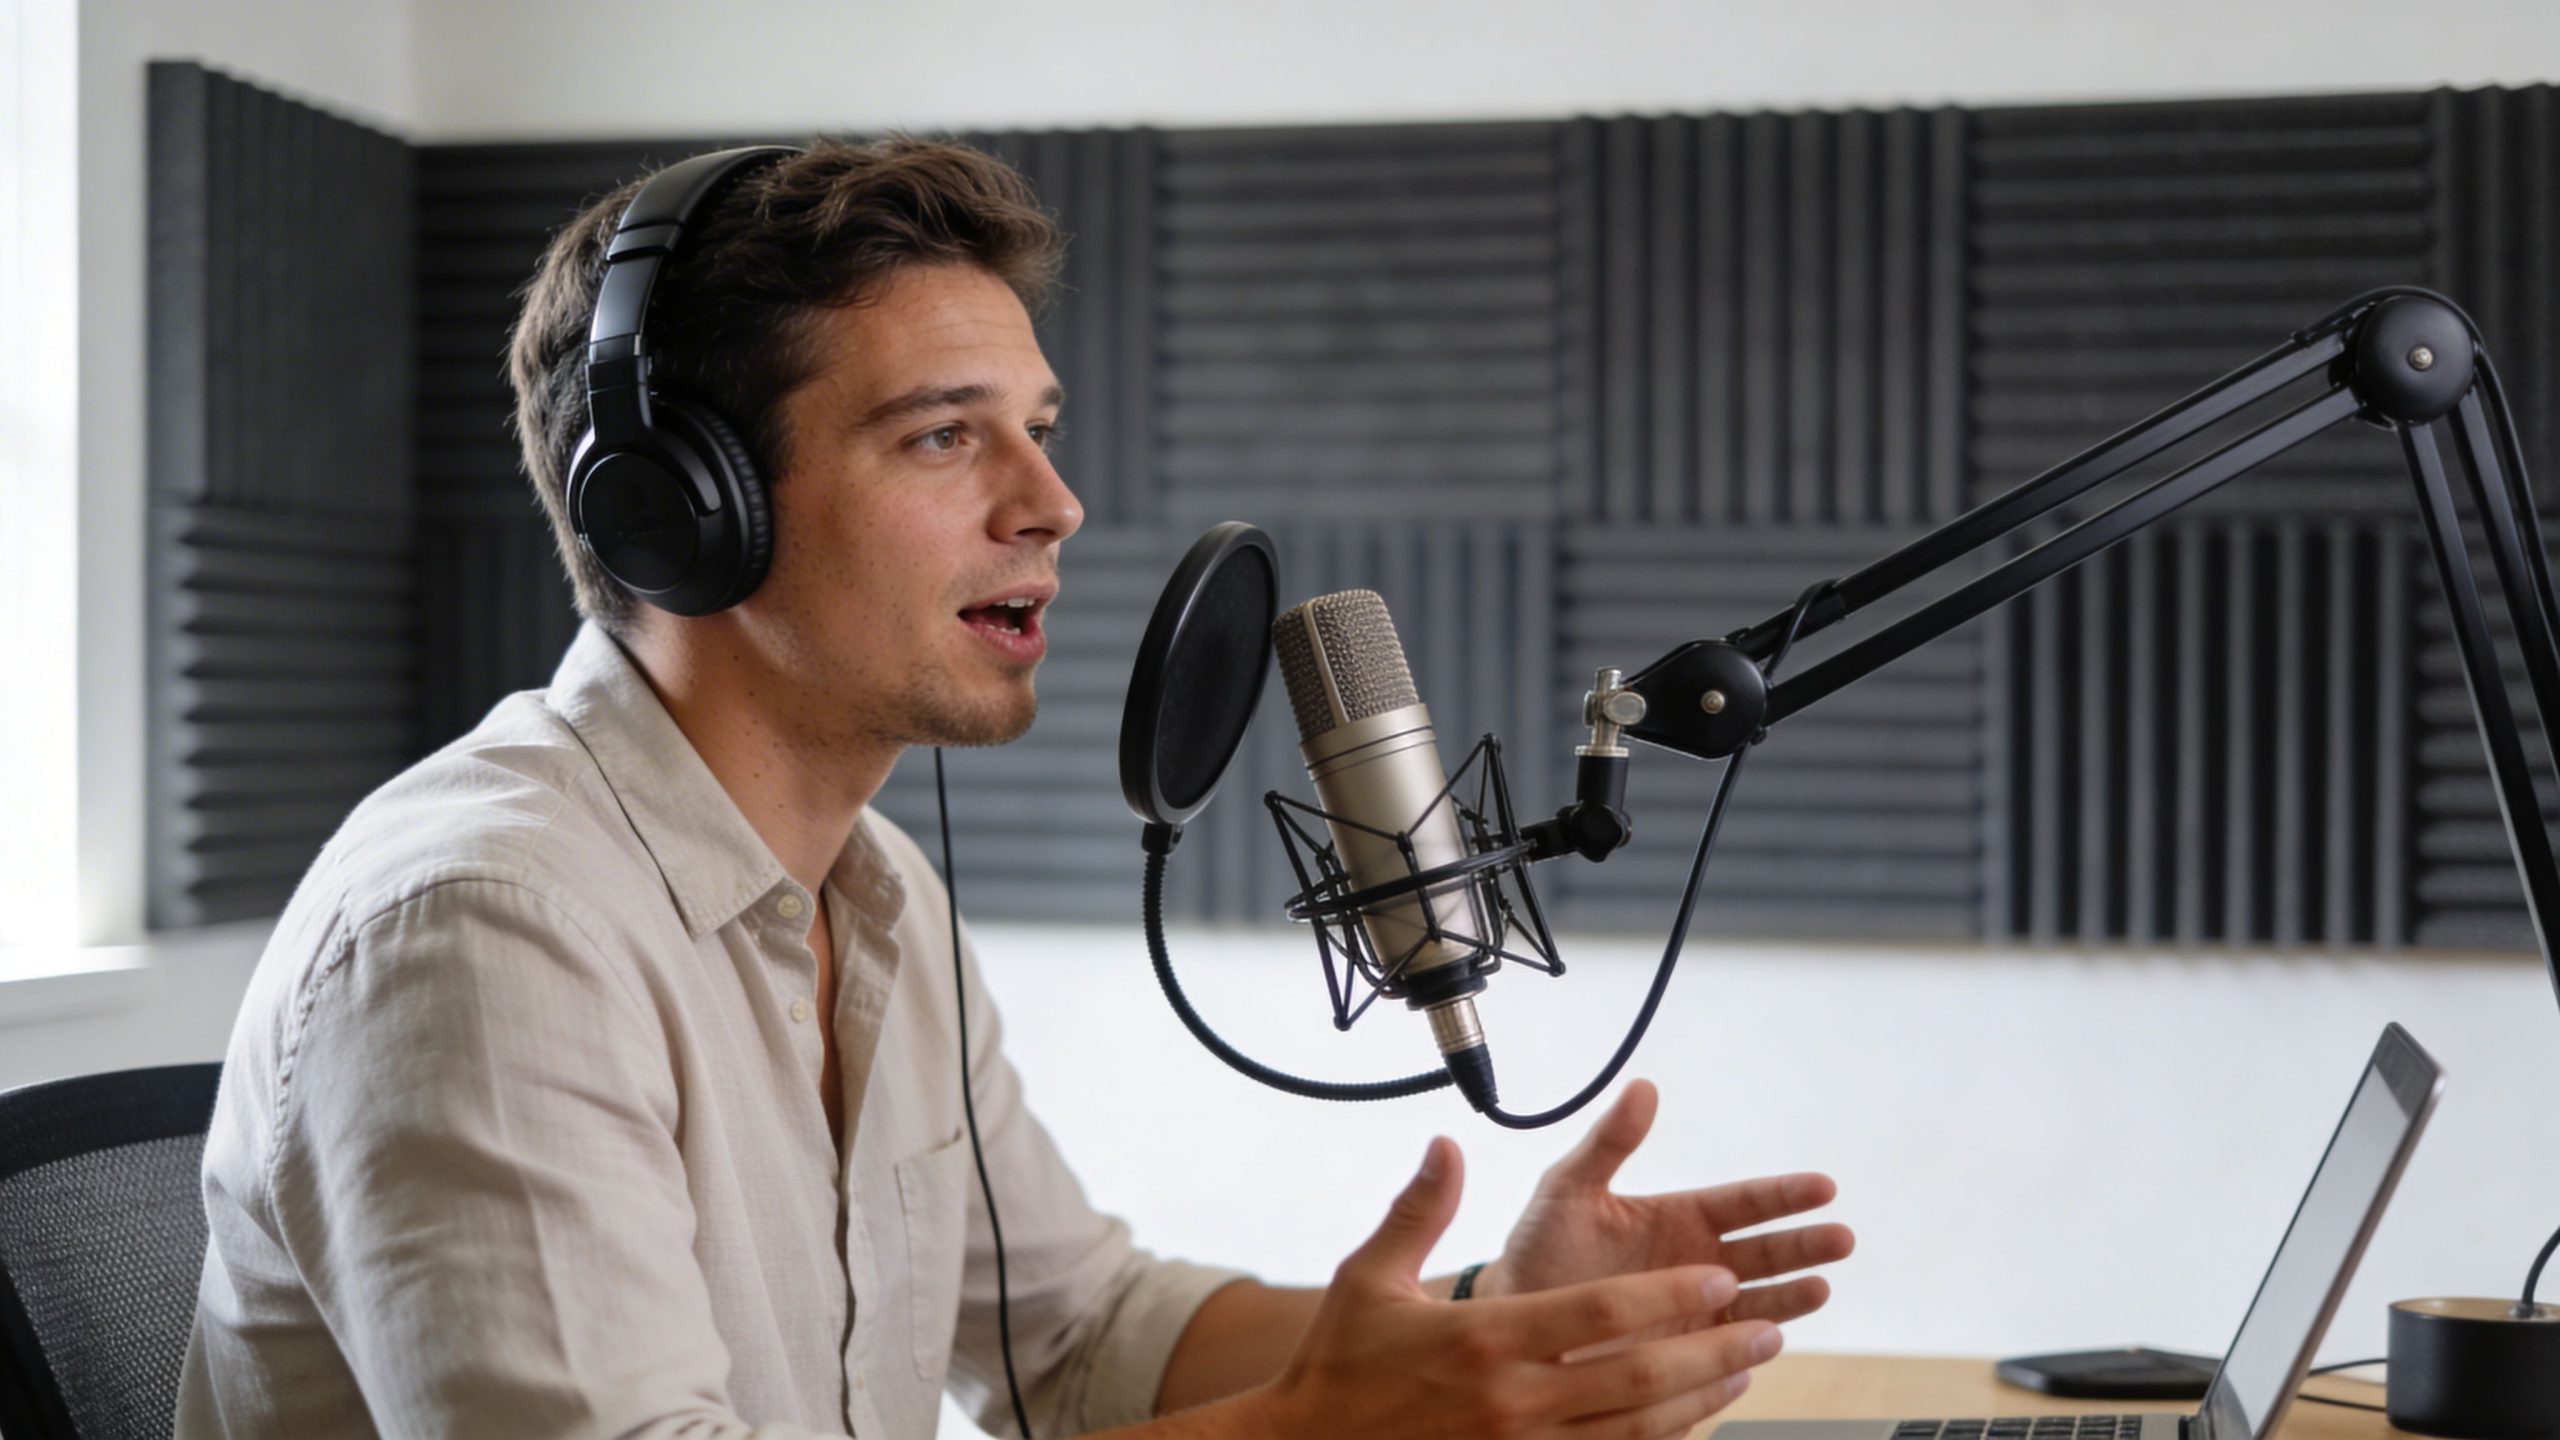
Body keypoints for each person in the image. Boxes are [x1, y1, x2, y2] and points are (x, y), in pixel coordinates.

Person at [177, 136, 1853, 1440]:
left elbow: (1078, 1337)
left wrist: (1482, 1324)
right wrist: (1328, 1425)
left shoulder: (874, 893)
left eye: (1038, 426)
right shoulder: (484, 930)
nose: (1051, 499)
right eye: (941, 435)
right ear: (682, 513)